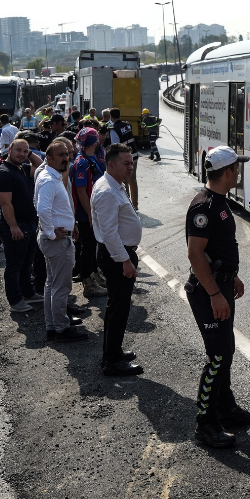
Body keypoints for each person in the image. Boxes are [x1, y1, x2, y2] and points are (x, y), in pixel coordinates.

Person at [185, 146, 250, 448]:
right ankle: (205, 424)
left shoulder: (218, 201)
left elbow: (218, 249)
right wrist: (216, 293)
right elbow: (195, 254)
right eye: (237, 167)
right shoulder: (204, 206)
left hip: (222, 286)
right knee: (216, 357)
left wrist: (233, 276)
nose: (239, 172)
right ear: (228, 171)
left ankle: (226, 408)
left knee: (226, 352)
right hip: (208, 292)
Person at [91, 143, 142, 376]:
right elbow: (109, 232)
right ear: (110, 165)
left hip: (119, 254)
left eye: (131, 162)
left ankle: (114, 351)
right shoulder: (107, 191)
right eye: (126, 163)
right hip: (116, 256)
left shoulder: (115, 185)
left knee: (118, 307)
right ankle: (112, 361)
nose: (130, 167)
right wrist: (125, 261)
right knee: (118, 309)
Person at [35, 139, 84, 342]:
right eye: (61, 155)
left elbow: (42, 205)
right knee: (61, 287)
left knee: (51, 285)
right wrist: (51, 233)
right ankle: (61, 329)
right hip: (56, 241)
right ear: (49, 159)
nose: (66, 158)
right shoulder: (48, 179)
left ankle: (53, 326)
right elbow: (42, 209)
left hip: (55, 237)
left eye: (67, 154)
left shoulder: (51, 177)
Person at [0, 138, 42, 313]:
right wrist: (13, 226)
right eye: (19, 150)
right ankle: (15, 300)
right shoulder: (4, 173)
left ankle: (28, 293)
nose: (22, 154)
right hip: (15, 226)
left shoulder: (22, 168)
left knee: (27, 263)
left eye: (25, 151)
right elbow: (5, 204)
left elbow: (42, 166)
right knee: (14, 265)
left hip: (29, 224)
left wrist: (29, 153)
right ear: (9, 150)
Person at [69, 128, 107, 298]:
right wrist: (90, 213)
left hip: (95, 210)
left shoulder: (92, 158)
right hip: (87, 213)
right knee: (89, 246)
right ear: (94, 141)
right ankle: (88, 283)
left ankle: (94, 274)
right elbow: (81, 190)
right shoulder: (83, 162)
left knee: (93, 245)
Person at [107, 109, 138, 210]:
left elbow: (115, 146)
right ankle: (135, 204)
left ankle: (127, 205)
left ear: (111, 116)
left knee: (124, 181)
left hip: (123, 158)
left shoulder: (114, 129)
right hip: (134, 155)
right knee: (133, 179)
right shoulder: (127, 124)